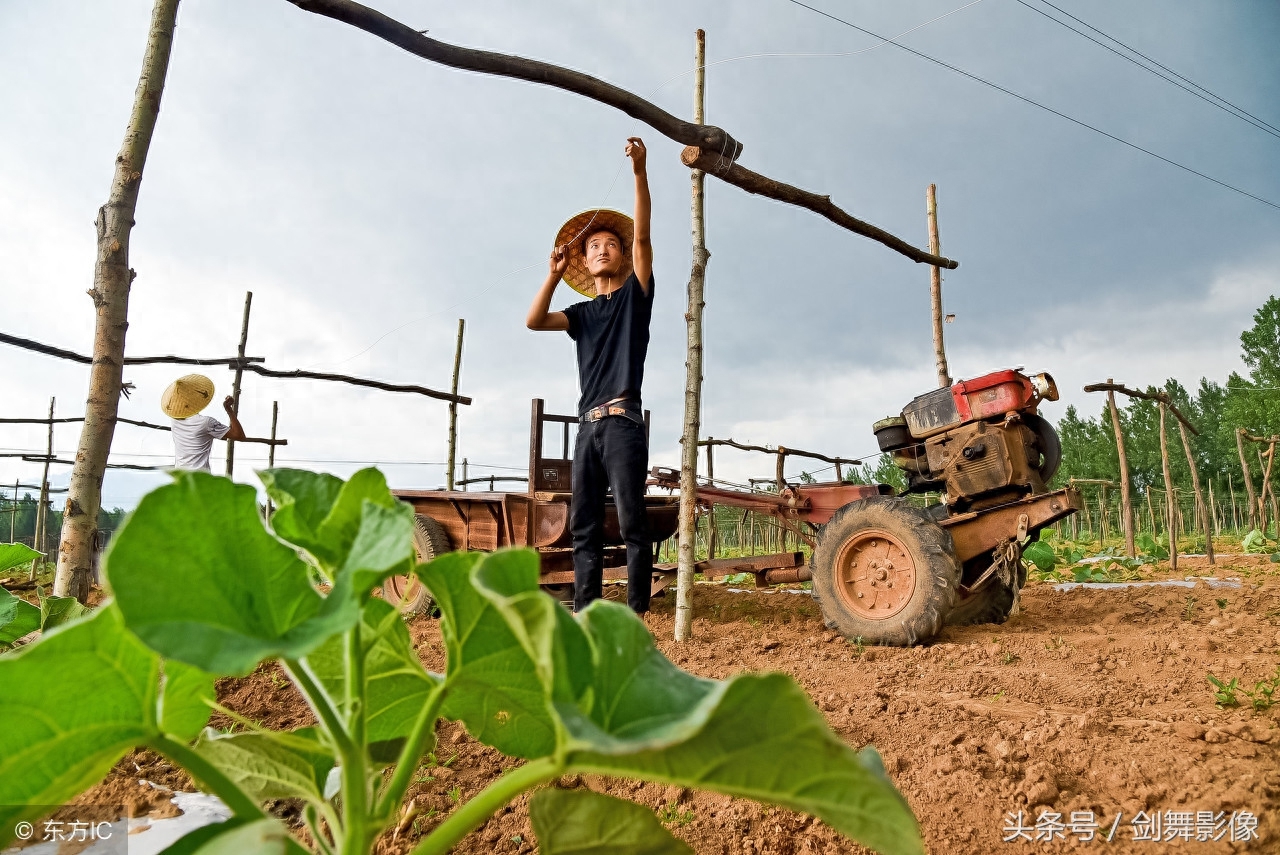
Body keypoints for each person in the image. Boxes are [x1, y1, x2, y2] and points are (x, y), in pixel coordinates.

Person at [526, 137, 654, 615]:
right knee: (583, 527)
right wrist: (553, 275)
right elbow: (534, 320)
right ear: (586, 260)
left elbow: (643, 237)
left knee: (631, 523)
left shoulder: (635, 298)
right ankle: (587, 615)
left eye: (611, 244)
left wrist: (640, 171)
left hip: (622, 424)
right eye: (595, 245)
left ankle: (637, 615)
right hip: (588, 429)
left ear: (623, 257)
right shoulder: (580, 314)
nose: (603, 248)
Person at [160, 374, 246, 472]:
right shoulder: (206, 423)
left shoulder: (174, 420)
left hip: (182, 478)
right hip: (200, 479)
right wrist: (228, 409)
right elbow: (239, 436)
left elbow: (223, 436)